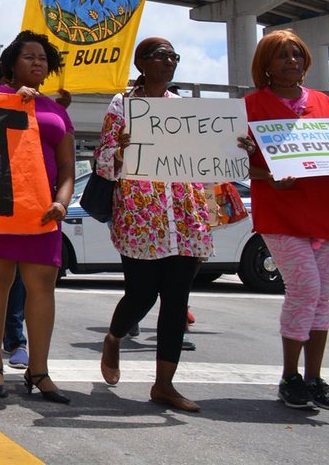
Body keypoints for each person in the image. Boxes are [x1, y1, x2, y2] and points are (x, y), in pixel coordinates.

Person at [96, 38, 213, 412]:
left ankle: (164, 385)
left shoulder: (183, 109)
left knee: (176, 300)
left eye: (174, 57)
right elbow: (103, 162)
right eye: (162, 56)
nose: (169, 62)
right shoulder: (122, 105)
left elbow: (204, 156)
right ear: (141, 63)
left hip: (184, 216)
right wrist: (120, 150)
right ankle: (114, 337)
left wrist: (232, 149)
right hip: (142, 218)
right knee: (142, 294)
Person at [0, 30, 74, 404]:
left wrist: (61, 202)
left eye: (42, 58)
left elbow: (67, 168)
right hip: (0, 208)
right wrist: (7, 103)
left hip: (43, 211)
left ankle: (38, 370)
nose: (37, 62)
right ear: (11, 63)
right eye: (29, 56)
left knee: (42, 287)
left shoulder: (56, 110)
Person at [241, 30, 329, 411]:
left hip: (326, 211)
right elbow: (230, 162)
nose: (292, 62)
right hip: (281, 213)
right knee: (304, 288)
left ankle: (314, 378)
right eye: (282, 56)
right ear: (265, 64)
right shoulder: (250, 105)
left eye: (297, 54)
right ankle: (290, 377)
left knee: (322, 297)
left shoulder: (325, 103)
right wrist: (266, 176)